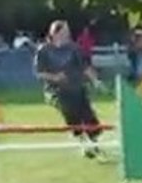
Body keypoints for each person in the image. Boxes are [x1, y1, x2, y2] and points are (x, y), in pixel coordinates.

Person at [35, 20, 106, 158]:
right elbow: (39, 73)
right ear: (55, 33)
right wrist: (55, 77)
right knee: (71, 113)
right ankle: (83, 143)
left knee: (88, 116)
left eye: (67, 31)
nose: (67, 34)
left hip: (77, 88)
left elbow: (85, 67)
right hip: (56, 91)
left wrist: (96, 81)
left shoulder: (74, 48)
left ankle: (94, 144)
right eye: (64, 31)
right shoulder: (43, 51)